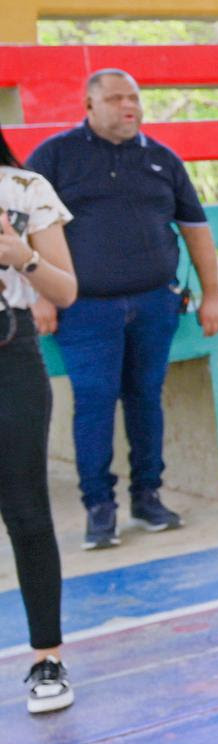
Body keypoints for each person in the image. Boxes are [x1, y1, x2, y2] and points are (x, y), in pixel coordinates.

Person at [26, 69, 218, 550]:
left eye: (133, 98)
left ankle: (148, 496)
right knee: (93, 403)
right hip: (85, 309)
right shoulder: (54, 157)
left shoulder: (161, 159)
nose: (128, 106)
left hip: (156, 303)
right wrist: (41, 292)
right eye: (115, 98)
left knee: (145, 399)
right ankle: (99, 507)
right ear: (89, 105)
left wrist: (213, 295)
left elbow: (196, 229)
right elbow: (23, 228)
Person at [0, 127, 80, 714]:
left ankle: (46, 657)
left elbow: (66, 289)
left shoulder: (24, 188)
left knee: (26, 511)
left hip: (10, 356)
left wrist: (19, 256)